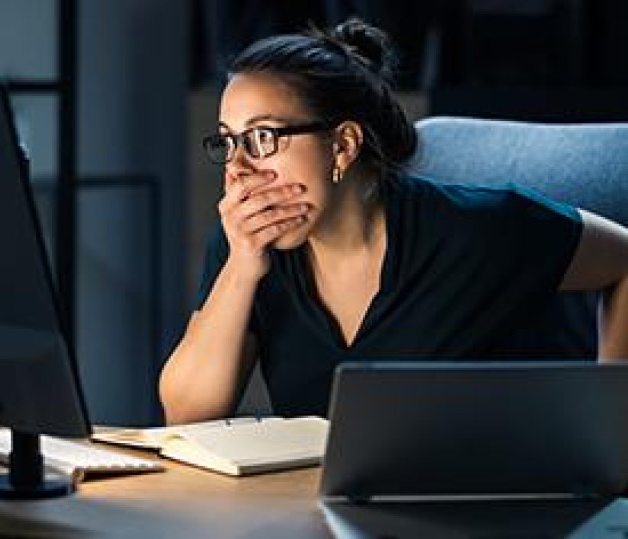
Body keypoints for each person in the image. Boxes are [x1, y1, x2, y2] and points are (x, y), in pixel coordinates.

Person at [158, 17, 628, 425]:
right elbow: (186, 415)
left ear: (342, 146)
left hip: (474, 505)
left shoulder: (479, 227)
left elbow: (623, 259)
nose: (238, 169)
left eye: (261, 137)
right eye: (227, 142)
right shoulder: (249, 244)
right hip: (316, 512)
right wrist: (240, 271)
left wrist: (612, 426)